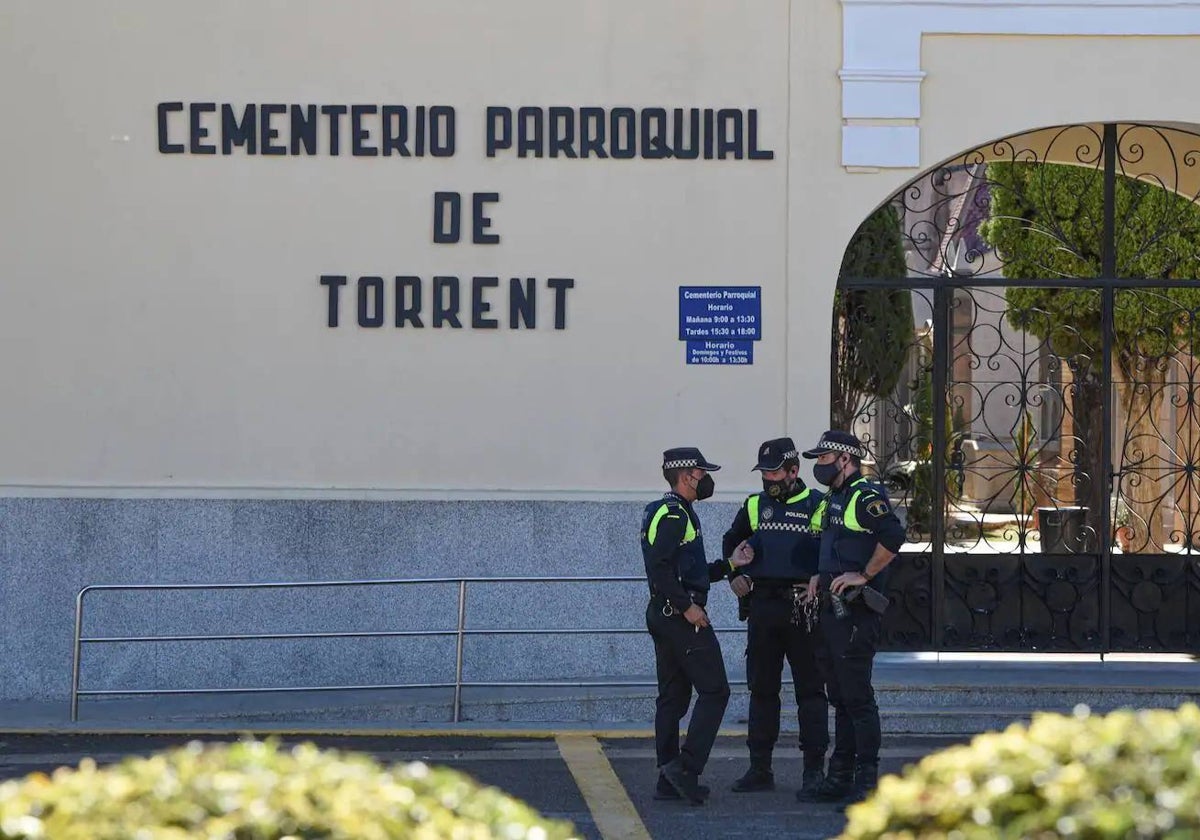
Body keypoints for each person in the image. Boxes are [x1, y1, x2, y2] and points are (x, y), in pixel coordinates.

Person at [641, 446, 752, 805]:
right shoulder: (675, 515)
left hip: (666, 614)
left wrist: (728, 564)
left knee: (673, 697)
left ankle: (666, 780)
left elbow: (691, 571)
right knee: (715, 691)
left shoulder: (668, 510)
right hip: (680, 618)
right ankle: (685, 770)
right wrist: (687, 607)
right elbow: (660, 569)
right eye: (701, 473)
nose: (706, 479)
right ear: (687, 475)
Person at [721, 437, 829, 799]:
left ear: (794, 470)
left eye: (775, 472)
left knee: (811, 692)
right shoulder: (754, 506)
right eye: (764, 473)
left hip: (803, 607)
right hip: (763, 607)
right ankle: (759, 768)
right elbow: (731, 545)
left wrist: (822, 579)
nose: (769, 480)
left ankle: (814, 771)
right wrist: (733, 574)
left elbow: (831, 549)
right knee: (762, 691)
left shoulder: (818, 504)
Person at [801, 430, 905, 805]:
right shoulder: (835, 498)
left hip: (856, 614)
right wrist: (820, 575)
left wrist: (865, 575)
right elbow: (833, 547)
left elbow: (893, 537)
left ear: (846, 459)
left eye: (825, 458)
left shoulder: (865, 496)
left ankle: (867, 779)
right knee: (840, 697)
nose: (819, 465)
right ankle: (840, 774)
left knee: (857, 698)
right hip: (832, 611)